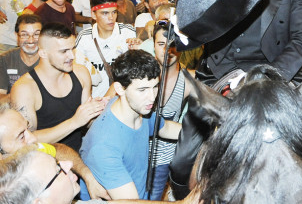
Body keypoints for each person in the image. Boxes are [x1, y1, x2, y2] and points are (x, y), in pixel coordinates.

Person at [79, 49, 182, 200]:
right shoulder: (104, 147)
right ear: (120, 89)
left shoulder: (138, 109)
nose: (152, 97)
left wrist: (210, 133)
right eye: (142, 90)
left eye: (155, 87)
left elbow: (165, 128)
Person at [10, 23, 106, 151]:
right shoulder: (25, 88)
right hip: (45, 161)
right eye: (64, 51)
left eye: (73, 49)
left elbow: (87, 123)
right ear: (43, 53)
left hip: (78, 155)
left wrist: (101, 110)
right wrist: (74, 122)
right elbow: (27, 140)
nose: (72, 56)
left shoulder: (81, 73)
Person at [0, 105, 110, 200]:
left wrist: (87, 174)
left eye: (28, 128)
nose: (33, 138)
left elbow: (58, 149)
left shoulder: (28, 150)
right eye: (21, 136)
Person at [148, 21, 194, 200]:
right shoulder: (140, 73)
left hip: (167, 159)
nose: (168, 50)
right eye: (161, 44)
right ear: (153, 45)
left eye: (173, 45)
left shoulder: (190, 79)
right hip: (136, 153)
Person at [75, 0, 140, 98]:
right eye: (105, 13)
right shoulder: (84, 38)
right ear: (93, 14)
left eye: (114, 12)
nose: (111, 18)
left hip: (124, 100)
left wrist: (139, 49)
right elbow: (76, 72)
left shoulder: (128, 33)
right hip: (96, 101)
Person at [0, 14, 41, 95]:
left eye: (36, 34)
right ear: (17, 36)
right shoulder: (5, 60)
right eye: (25, 34)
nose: (31, 40)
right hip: (13, 106)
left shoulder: (51, 59)